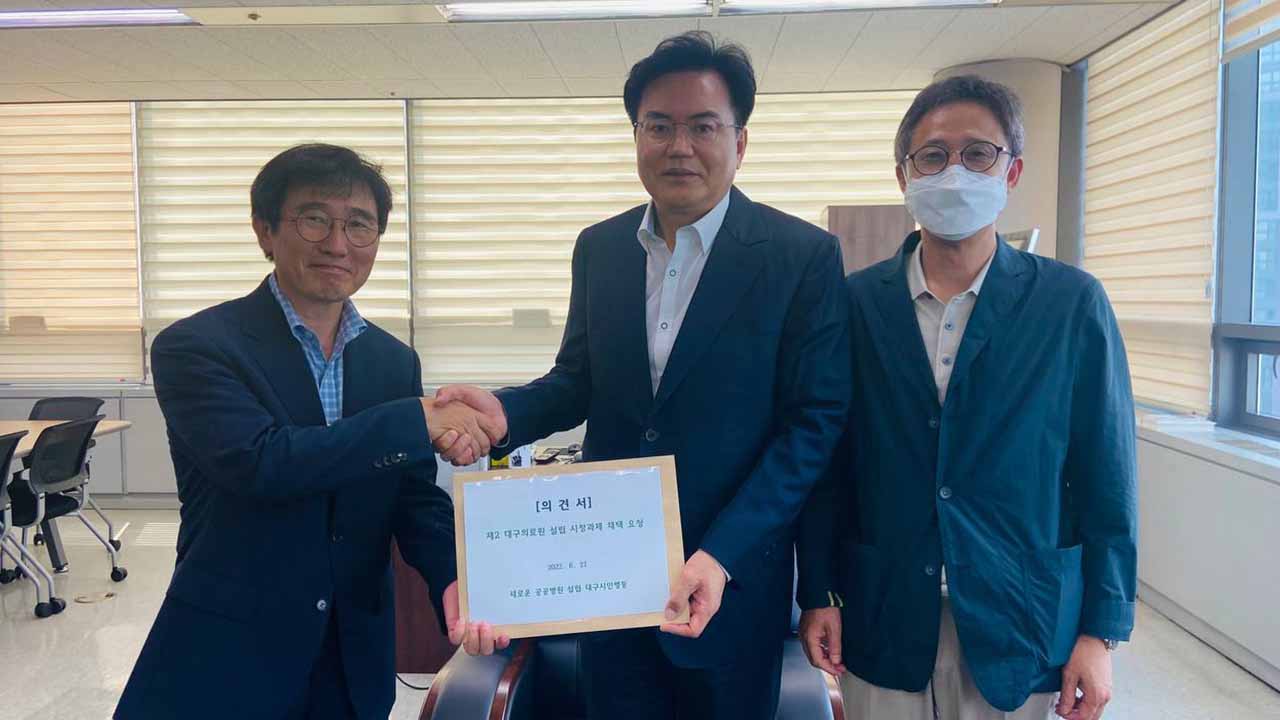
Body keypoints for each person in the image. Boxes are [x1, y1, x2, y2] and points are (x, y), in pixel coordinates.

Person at [435, 31, 851, 720]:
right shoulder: (601, 248)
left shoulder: (800, 256)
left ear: (740, 142)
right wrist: (503, 415)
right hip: (610, 583)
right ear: (636, 137)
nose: (678, 146)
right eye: (659, 126)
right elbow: (577, 380)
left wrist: (721, 554)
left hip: (730, 582)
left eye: (703, 126)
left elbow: (812, 427)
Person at [115, 144, 506, 720]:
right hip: (230, 655)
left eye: (359, 224)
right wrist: (416, 420)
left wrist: (452, 577)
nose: (338, 244)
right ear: (265, 230)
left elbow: (414, 498)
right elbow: (262, 462)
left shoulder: (392, 361)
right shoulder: (196, 347)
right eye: (314, 218)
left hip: (351, 659)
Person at [797, 75, 1138, 720]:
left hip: (1022, 613)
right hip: (884, 610)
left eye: (978, 153)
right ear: (904, 177)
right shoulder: (854, 303)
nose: (955, 171)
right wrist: (818, 591)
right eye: (933, 155)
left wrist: (1101, 631)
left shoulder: (1070, 304)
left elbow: (1107, 476)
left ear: (1011, 172)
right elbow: (826, 464)